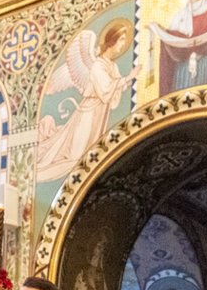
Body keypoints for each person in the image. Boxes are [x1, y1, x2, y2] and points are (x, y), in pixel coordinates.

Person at [36, 21, 140, 183]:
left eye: (124, 42)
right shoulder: (97, 65)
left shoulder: (113, 66)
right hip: (89, 112)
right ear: (112, 41)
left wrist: (124, 82)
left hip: (101, 112)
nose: (122, 45)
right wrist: (129, 78)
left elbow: (114, 92)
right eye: (120, 40)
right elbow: (105, 88)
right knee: (76, 156)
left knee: (93, 156)